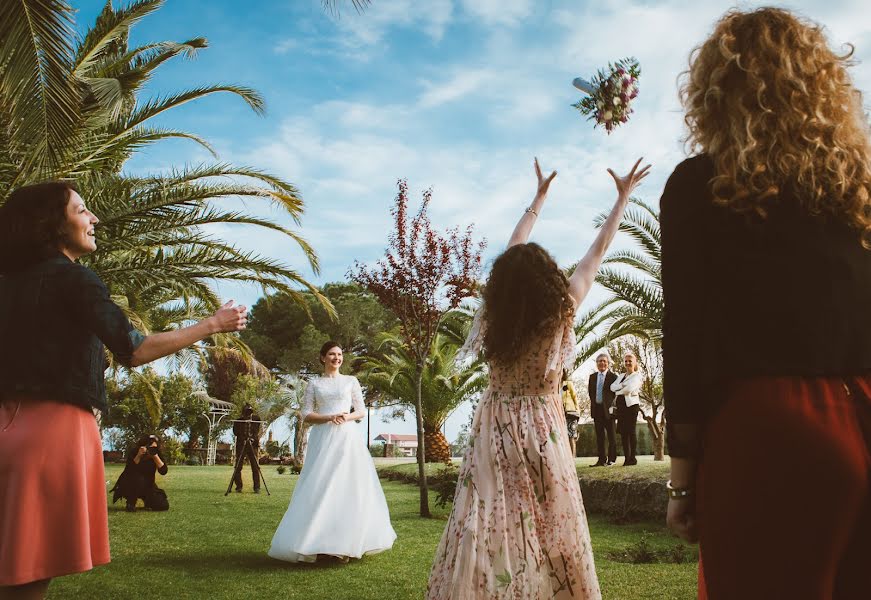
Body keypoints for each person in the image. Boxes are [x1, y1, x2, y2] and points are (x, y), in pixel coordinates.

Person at [661, 8, 871, 599]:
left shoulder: (699, 187)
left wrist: (682, 484)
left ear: (715, 93)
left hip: (772, 431)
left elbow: (686, 337)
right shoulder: (859, 193)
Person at [0, 182, 248, 599]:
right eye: (81, 210)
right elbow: (134, 349)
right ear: (53, 225)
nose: (94, 218)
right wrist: (212, 324)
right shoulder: (75, 280)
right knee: (28, 572)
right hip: (51, 434)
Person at [427, 157, 650, 599]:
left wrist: (539, 200)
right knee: (553, 519)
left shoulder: (493, 315)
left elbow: (514, 247)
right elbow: (597, 253)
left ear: (503, 283)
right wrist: (622, 198)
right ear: (548, 278)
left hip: (494, 425)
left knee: (485, 517)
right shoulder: (561, 309)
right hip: (542, 430)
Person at [268, 341, 396, 563]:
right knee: (321, 485)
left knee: (347, 486)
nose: (336, 358)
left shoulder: (350, 381)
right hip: (323, 437)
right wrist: (329, 417)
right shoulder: (314, 383)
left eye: (339, 354)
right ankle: (316, 542)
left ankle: (345, 544)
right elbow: (306, 414)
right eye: (331, 354)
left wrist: (345, 416)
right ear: (322, 358)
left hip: (347, 438)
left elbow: (361, 411)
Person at [110, 434, 169, 512]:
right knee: (139, 479)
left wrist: (155, 457)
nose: (152, 449)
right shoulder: (135, 452)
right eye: (150, 447)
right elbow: (129, 470)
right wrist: (138, 455)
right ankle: (131, 502)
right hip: (129, 483)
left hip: (148, 484)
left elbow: (163, 471)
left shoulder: (156, 453)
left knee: (163, 505)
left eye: (154, 448)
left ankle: (148, 502)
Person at [610, 352, 643, 466]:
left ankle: (633, 458)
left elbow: (628, 390)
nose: (628, 363)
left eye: (630, 361)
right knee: (623, 432)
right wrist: (622, 386)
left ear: (635, 362)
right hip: (621, 407)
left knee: (631, 431)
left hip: (631, 406)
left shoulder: (637, 376)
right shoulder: (621, 376)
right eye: (626, 361)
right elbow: (611, 387)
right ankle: (626, 458)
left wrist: (619, 389)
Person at [588, 353, 618, 466]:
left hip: (609, 411)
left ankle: (612, 459)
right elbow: (590, 393)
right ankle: (601, 460)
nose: (602, 363)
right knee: (600, 437)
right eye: (600, 361)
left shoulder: (613, 377)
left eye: (604, 361)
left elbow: (616, 394)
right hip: (597, 410)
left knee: (611, 436)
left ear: (608, 363)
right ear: (597, 363)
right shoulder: (592, 377)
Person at [232, 403, 262, 493]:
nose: (248, 414)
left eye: (249, 412)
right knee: (238, 466)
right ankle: (239, 486)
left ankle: (257, 487)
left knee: (255, 466)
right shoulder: (238, 421)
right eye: (246, 412)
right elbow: (236, 432)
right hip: (242, 445)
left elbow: (256, 431)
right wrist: (243, 438)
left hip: (252, 445)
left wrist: (252, 438)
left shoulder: (256, 419)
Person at [561, 370, 581, 456]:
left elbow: (574, 396)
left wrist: (577, 410)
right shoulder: (553, 384)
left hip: (570, 412)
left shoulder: (568, 383)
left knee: (571, 436)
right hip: (559, 413)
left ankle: (572, 458)